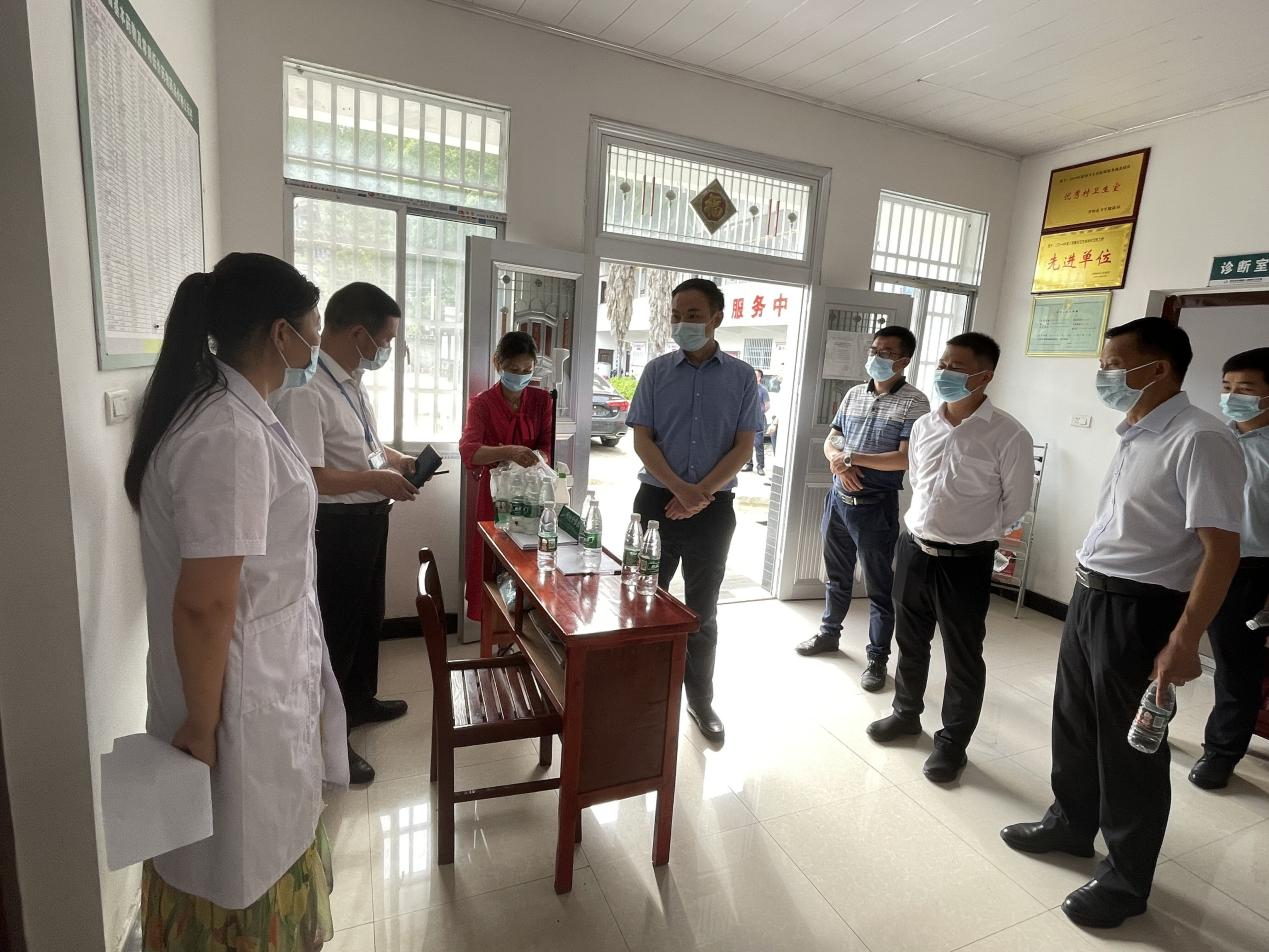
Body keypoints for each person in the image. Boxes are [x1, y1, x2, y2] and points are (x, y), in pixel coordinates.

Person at [124, 252, 347, 948]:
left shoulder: (234, 413)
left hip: (253, 678)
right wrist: (200, 723)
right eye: (314, 330)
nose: (316, 346)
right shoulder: (227, 433)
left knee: (239, 849)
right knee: (229, 863)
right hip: (229, 702)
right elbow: (204, 604)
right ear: (281, 334)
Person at [1001, 318, 1244, 930]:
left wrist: (1184, 639)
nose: (1103, 375)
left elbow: (1222, 551)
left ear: (1156, 368)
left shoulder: (1200, 438)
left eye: (1112, 364)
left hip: (1142, 608)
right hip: (1092, 594)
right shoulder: (1136, 429)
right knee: (1075, 721)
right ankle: (1070, 824)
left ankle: (1126, 879)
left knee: (1130, 749)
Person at [866, 332, 1033, 783]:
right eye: (942, 364)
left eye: (956, 367)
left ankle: (952, 743)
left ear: (985, 376)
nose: (944, 373)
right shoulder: (925, 425)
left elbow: (1015, 504)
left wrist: (968, 531)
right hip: (914, 548)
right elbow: (919, 483)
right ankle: (905, 714)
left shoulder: (1008, 434)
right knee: (910, 641)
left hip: (965, 560)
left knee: (962, 655)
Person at [272, 282, 415, 787]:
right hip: (337, 528)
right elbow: (312, 476)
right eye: (386, 341)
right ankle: (334, 740)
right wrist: (378, 479)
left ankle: (360, 700)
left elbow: (365, 445)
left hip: (370, 518)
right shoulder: (306, 390)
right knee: (337, 631)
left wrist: (397, 461)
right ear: (358, 334)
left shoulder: (349, 382)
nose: (386, 350)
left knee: (367, 618)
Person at [627, 278, 760, 744]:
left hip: (713, 507)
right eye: (676, 315)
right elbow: (642, 439)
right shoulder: (656, 372)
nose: (682, 323)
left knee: (702, 609)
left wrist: (699, 493)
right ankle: (641, 693)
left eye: (693, 315)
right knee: (642, 601)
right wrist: (680, 489)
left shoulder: (742, 377)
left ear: (717, 318)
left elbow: (743, 447)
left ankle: (700, 700)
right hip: (655, 502)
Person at [797, 326, 931, 693]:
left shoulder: (915, 402)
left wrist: (851, 458)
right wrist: (839, 463)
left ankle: (877, 658)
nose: (876, 357)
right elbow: (833, 439)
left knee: (879, 586)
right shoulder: (854, 393)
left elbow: (904, 458)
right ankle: (829, 634)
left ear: (904, 360)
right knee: (836, 576)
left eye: (886, 353)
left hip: (875, 507)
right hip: (838, 501)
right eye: (874, 350)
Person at [1189, 347, 1269, 790]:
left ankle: (1221, 753)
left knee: (1236, 664)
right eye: (1227, 387)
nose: (1232, 396)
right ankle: (1152, 720)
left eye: (1246, 388)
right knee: (1163, 644)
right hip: (1189, 558)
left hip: (1249, 569)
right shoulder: (1212, 438)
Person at [459, 331, 554, 620]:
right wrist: (509, 452)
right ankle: (495, 631)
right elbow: (470, 451)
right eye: (513, 369)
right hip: (495, 496)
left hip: (532, 494)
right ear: (497, 363)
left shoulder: (542, 401)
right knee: (493, 561)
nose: (520, 376)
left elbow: (547, 447)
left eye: (527, 370)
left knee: (529, 562)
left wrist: (537, 458)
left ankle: (525, 631)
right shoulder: (483, 404)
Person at [741, 368, 770, 476]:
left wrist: (758, 412)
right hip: (747, 420)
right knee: (747, 443)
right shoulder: (747, 388)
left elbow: (767, 405)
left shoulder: (763, 390)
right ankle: (749, 464)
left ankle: (760, 467)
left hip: (758, 421)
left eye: (756, 376)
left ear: (760, 378)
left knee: (758, 444)